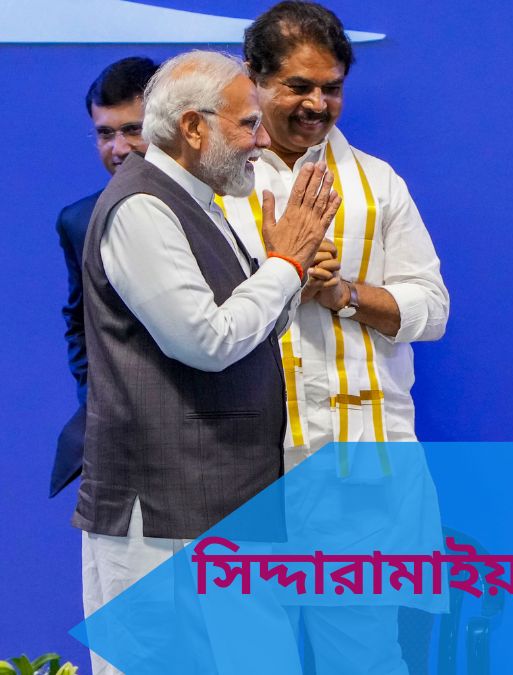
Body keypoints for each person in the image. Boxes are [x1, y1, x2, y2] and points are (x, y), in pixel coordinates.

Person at [72, 49, 340, 675]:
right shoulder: (141, 207)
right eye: (248, 124)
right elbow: (205, 341)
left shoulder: (199, 202)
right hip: (164, 521)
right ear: (193, 128)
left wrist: (285, 271)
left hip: (224, 506)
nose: (262, 139)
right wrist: (286, 264)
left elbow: (248, 330)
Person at [221, 3, 451, 671]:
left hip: (358, 474)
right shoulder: (217, 183)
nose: (318, 104)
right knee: (248, 658)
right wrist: (282, 273)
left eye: (332, 88)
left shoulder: (377, 184)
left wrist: (343, 293)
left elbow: (433, 310)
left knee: (364, 658)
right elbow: (193, 321)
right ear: (254, 78)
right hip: (247, 468)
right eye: (298, 86)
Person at [51, 56, 157, 499]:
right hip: (117, 441)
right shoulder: (78, 221)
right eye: (105, 133)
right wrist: (95, 398)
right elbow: (80, 323)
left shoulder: (224, 206)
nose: (119, 148)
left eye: (133, 130)